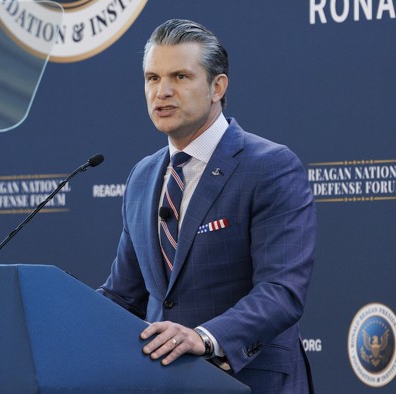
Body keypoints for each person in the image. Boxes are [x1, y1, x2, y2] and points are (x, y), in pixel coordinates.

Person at [97, 19, 316, 393]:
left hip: (248, 380)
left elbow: (281, 291)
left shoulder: (269, 166)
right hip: (161, 382)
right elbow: (122, 295)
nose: (162, 92)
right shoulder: (143, 176)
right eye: (152, 78)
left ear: (218, 86)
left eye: (180, 77)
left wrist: (204, 337)